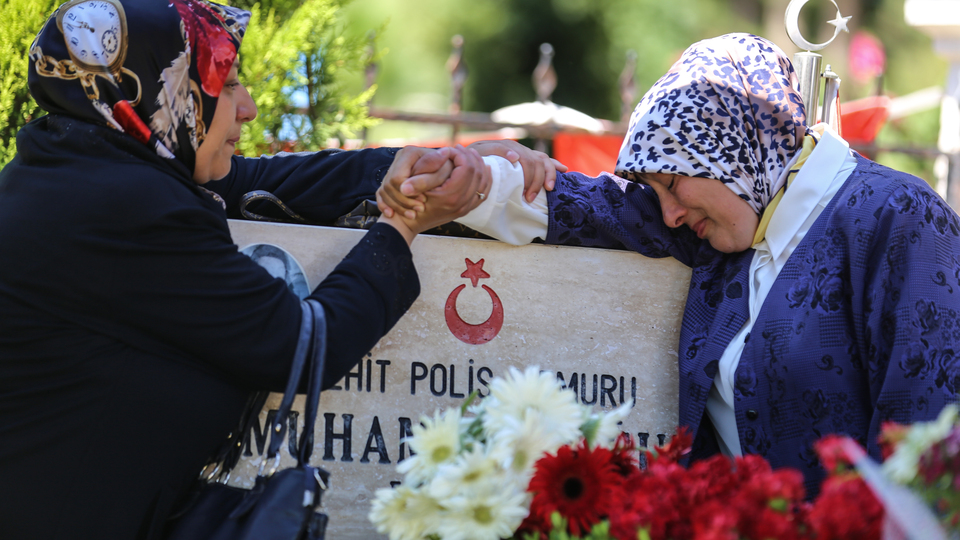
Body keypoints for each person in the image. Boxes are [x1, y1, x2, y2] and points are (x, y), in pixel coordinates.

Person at [0, 1, 560, 538]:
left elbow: (283, 181)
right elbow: (307, 343)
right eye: (227, 83)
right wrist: (403, 223)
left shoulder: (83, 166)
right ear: (168, 89)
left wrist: (452, 160)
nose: (248, 108)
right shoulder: (125, 207)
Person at [380, 33, 960, 495]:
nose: (671, 213)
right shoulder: (731, 221)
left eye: (673, 181)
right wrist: (480, 178)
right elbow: (592, 209)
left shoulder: (896, 220)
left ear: (735, 148)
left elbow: (929, 448)